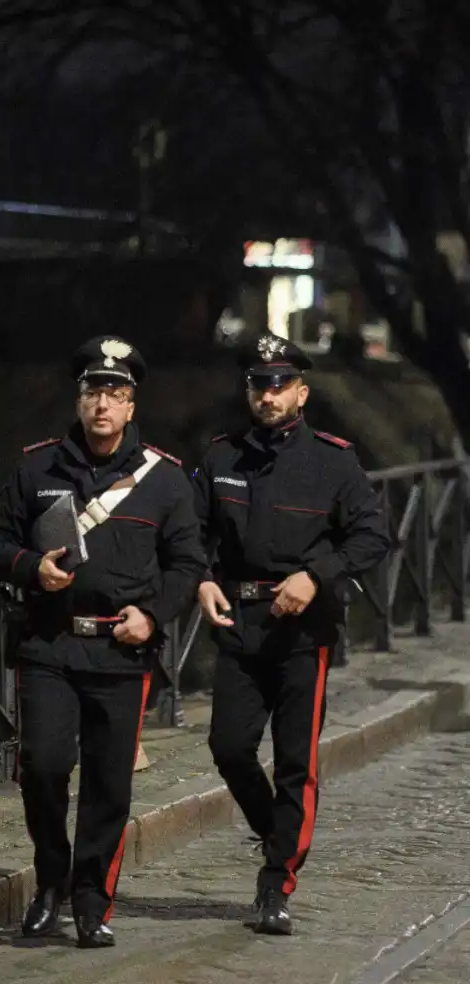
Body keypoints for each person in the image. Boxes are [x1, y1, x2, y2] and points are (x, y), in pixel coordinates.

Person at [0, 336, 205, 948]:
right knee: (44, 766)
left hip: (122, 653)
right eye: (92, 392)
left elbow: (187, 565)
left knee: (110, 783)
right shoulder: (37, 468)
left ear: (132, 405)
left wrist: (153, 618)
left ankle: (91, 898)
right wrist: (32, 568)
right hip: (50, 645)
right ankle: (51, 877)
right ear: (79, 400)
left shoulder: (165, 480)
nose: (102, 404)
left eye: (115, 393)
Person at [192, 332, 390, 936]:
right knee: (228, 747)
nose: (269, 394)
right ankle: (276, 831)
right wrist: (201, 581)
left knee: (296, 764)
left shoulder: (334, 460)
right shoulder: (221, 457)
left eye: (280, 385)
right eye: (260, 384)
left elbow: (372, 537)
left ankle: (276, 883)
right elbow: (189, 535)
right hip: (240, 624)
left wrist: (315, 574)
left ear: (302, 391)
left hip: (305, 629)